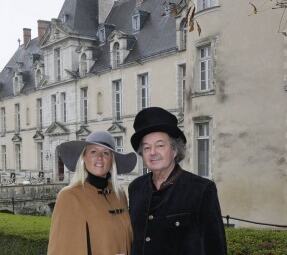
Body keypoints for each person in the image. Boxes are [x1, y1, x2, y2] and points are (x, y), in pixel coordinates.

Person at [128, 107, 227, 255]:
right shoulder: (135, 188)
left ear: (175, 150)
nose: (153, 152)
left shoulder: (201, 190)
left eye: (160, 145)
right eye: (147, 148)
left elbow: (215, 247)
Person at [47, 131, 137, 255]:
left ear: (112, 160)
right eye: (93, 151)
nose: (100, 157)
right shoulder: (69, 196)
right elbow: (60, 248)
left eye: (106, 153)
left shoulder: (119, 194)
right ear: (84, 157)